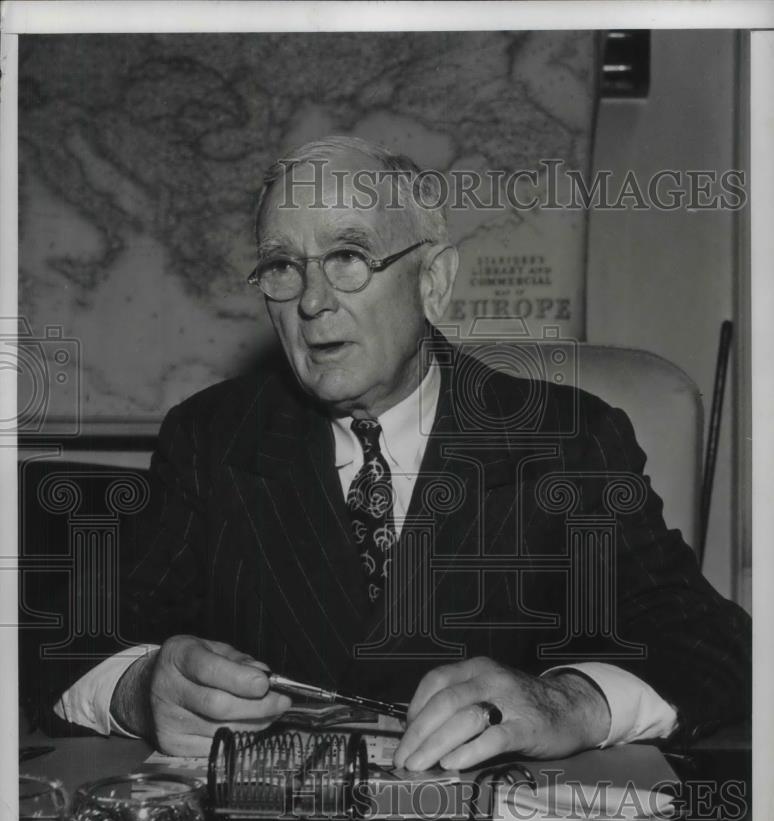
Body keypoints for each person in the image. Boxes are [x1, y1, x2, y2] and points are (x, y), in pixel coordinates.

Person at [42, 135, 750, 765]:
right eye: (283, 267)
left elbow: (717, 647)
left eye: (348, 256)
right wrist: (142, 689)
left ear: (433, 283)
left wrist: (568, 703)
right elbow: (62, 642)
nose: (312, 302)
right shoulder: (210, 440)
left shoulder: (567, 442)